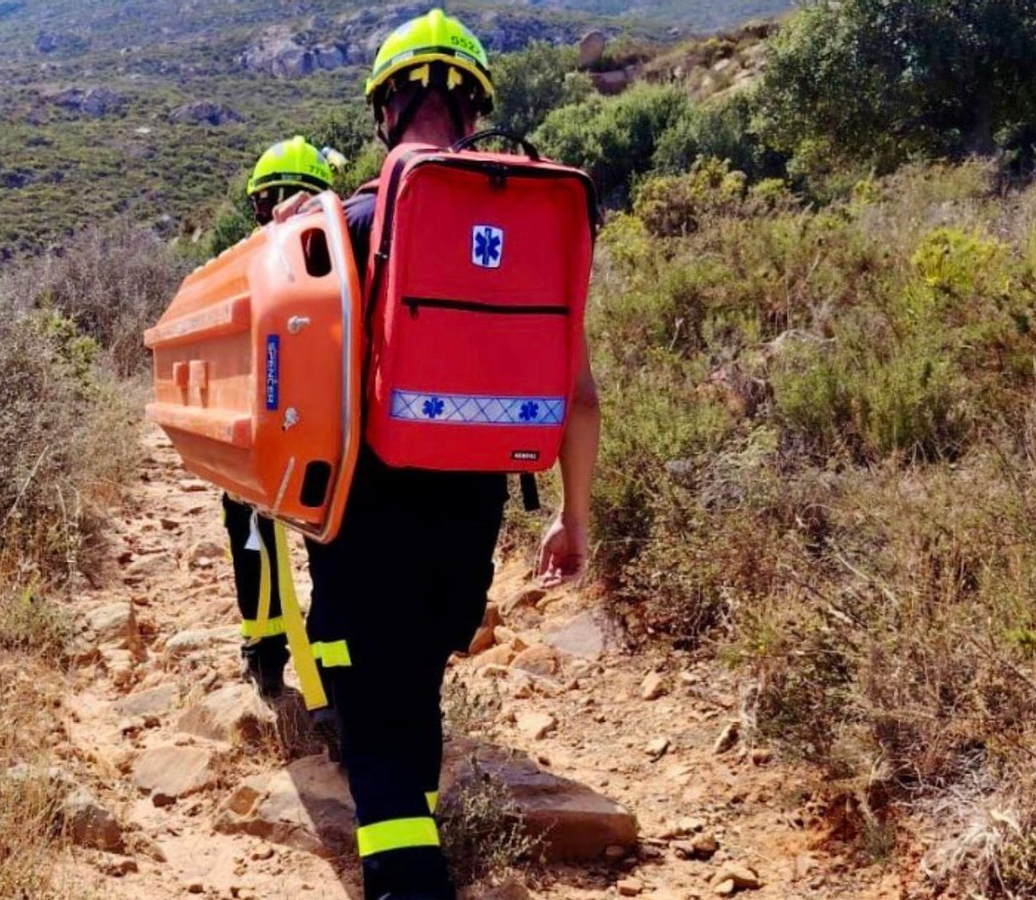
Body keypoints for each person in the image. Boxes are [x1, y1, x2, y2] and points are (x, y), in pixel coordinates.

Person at [301, 11, 601, 899]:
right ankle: (419, 839)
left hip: (363, 511)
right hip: (471, 513)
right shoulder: (545, 222)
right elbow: (579, 397)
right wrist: (571, 516)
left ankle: (409, 879)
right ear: (474, 113)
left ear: (385, 107)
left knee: (371, 721)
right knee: (420, 676)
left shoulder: (346, 224)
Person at [224, 136, 337, 699]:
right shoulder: (347, 252)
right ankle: (331, 673)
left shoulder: (253, 260)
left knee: (254, 541)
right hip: (331, 439)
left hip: (265, 442)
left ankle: (266, 657)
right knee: (332, 553)